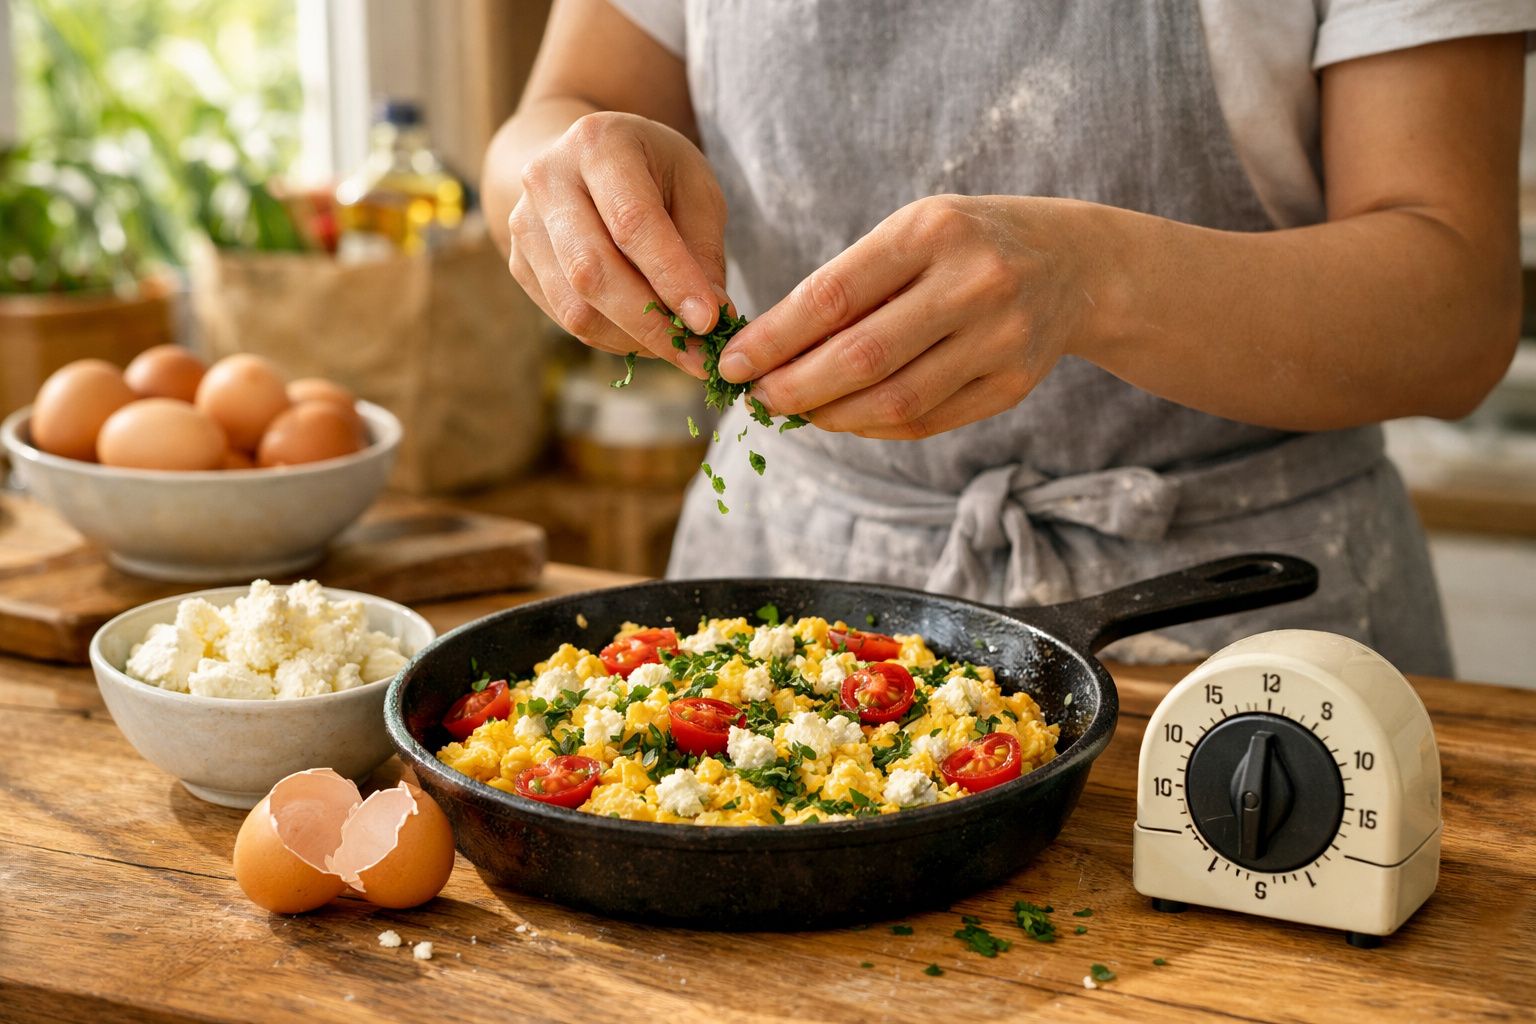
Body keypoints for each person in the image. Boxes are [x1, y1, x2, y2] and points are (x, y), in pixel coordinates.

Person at [485, 0, 1534, 676]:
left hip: (1238, 631)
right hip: (782, 608)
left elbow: (1457, 312)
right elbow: (560, 111)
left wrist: (1093, 280)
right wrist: (560, 176)